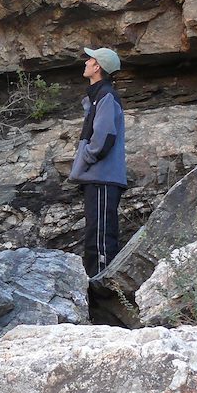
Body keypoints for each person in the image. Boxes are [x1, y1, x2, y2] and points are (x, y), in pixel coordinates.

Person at [68, 47, 127, 277]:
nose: (85, 62)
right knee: (96, 234)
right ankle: (97, 289)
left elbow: (104, 138)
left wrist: (86, 158)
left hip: (103, 177)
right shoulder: (98, 97)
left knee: (101, 238)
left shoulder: (106, 96)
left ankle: (103, 291)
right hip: (98, 178)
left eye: (89, 59)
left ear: (98, 67)